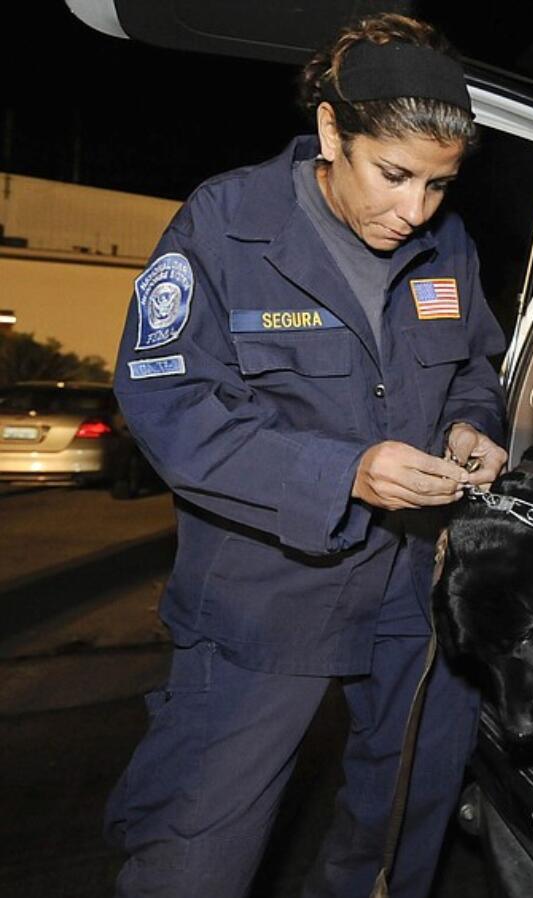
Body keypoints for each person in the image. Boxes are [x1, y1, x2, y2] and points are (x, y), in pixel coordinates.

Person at [104, 14, 507, 898]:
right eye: (394, 175)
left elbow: (476, 369)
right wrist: (344, 474)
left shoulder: (451, 244)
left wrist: (473, 427)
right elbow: (167, 404)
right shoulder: (225, 224)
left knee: (401, 826)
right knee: (197, 844)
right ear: (333, 132)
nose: (415, 211)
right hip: (264, 592)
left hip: (417, 589)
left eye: (439, 185)